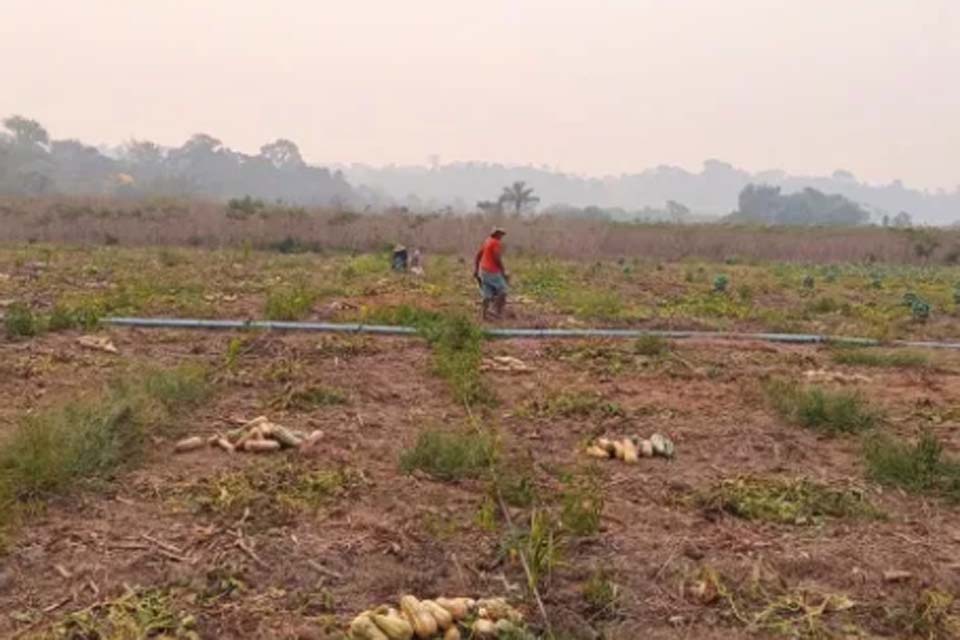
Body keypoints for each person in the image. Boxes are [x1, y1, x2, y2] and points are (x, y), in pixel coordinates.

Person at [473, 227, 509, 320]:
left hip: (484, 271)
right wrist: (503, 271)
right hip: (492, 271)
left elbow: (478, 256)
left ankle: (484, 317)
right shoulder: (495, 243)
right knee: (503, 291)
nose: (502, 236)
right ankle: (494, 310)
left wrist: (476, 270)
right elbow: (497, 258)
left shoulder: (487, 241)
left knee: (487, 295)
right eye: (501, 234)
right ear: (497, 234)